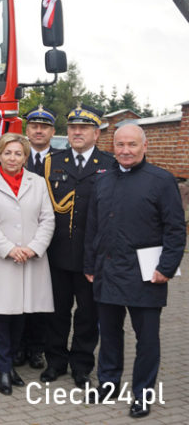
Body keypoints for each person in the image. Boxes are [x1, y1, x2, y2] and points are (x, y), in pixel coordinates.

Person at [85, 124, 185, 418]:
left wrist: (166, 267)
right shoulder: (101, 181)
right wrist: (90, 265)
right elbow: (93, 226)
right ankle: (108, 383)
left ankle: (142, 394)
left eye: (132, 145)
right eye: (120, 145)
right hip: (108, 271)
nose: (125, 151)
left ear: (144, 147)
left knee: (148, 339)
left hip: (147, 274)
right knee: (110, 333)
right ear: (112, 146)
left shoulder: (162, 181)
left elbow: (176, 229)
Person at [41, 104, 115, 388]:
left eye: (84, 128)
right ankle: (55, 362)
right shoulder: (53, 161)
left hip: (92, 257)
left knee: (87, 315)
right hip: (58, 252)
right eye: (73, 127)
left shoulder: (108, 164)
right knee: (56, 312)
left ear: (96, 133)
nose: (77, 132)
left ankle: (82, 366)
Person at [0, 133, 55, 396]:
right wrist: (10, 249)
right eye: (7, 153)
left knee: (21, 315)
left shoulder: (38, 183)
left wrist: (32, 248)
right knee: (1, 318)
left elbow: (48, 219)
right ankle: (3, 369)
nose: (13, 158)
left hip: (30, 260)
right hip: (1, 260)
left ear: (25, 156)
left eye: (18, 153)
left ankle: (11, 366)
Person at [15, 105, 58, 369]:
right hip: (20, 240)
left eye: (44, 126)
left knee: (43, 299)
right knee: (20, 297)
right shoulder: (15, 156)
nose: (38, 130)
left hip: (54, 239)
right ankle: (18, 347)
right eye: (34, 126)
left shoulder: (63, 159)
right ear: (26, 129)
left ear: (53, 131)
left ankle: (37, 348)